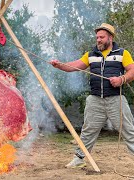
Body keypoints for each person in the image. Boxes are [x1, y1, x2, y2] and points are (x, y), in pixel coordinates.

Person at [50, 23, 134, 168]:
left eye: (102, 37)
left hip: (116, 99)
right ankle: (79, 158)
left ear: (110, 38)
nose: (98, 40)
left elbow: (132, 70)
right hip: (95, 100)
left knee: (129, 131)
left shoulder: (122, 53)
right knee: (88, 130)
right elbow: (74, 66)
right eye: (97, 37)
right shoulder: (90, 55)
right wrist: (60, 65)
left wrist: (121, 79)